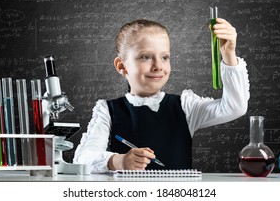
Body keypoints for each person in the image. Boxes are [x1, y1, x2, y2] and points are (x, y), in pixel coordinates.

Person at [73, 18, 249, 173]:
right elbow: (83, 158)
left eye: (165, 57)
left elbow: (234, 107)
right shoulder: (107, 110)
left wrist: (228, 55)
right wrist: (118, 161)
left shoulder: (186, 106)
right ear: (121, 66)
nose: (158, 66)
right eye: (146, 57)